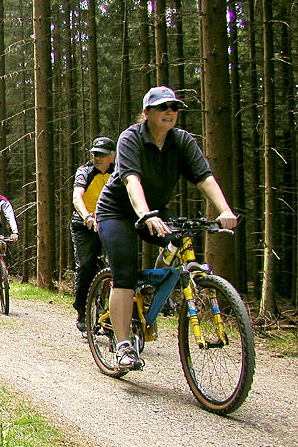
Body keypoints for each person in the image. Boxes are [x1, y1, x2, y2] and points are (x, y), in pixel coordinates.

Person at [95, 87, 237, 370]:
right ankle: (123, 346)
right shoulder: (130, 139)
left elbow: (204, 176)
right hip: (118, 212)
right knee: (124, 272)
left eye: (174, 107)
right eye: (162, 107)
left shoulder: (181, 141)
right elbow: (131, 180)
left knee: (181, 239)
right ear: (147, 113)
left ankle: (154, 289)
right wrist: (144, 213)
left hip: (155, 210)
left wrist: (224, 210)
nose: (170, 112)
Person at [70, 137, 116, 334]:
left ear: (112, 156)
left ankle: (115, 313)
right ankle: (82, 309)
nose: (97, 158)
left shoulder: (119, 172)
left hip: (110, 221)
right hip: (84, 223)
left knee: (119, 265)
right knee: (86, 264)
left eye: (102, 154)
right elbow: (77, 196)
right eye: (94, 154)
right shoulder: (85, 172)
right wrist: (87, 215)